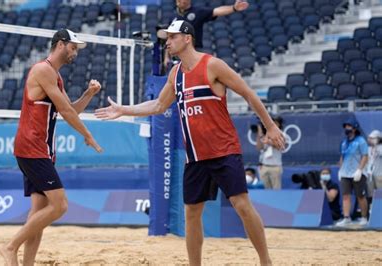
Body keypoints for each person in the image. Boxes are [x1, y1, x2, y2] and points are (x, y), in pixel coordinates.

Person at [95, 21, 285, 266]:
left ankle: (265, 261)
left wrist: (270, 125)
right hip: (195, 156)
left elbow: (248, 93)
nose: (168, 42)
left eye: (172, 37)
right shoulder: (175, 74)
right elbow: (158, 105)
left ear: (187, 38)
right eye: (167, 38)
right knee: (191, 213)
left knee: (242, 206)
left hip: (223, 150)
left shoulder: (212, 65)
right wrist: (124, 110)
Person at [0, 28, 103, 266]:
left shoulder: (55, 75)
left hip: (40, 148)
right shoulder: (43, 70)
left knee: (39, 212)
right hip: (32, 147)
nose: (75, 53)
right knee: (60, 205)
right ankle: (10, 246)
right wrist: (88, 135)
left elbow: (71, 109)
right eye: (73, 47)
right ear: (60, 45)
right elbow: (66, 112)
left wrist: (88, 93)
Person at [172, 0, 249, 49]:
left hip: (193, 50)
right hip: (177, 51)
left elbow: (217, 11)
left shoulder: (198, 12)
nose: (178, 1)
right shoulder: (173, 16)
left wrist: (234, 8)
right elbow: (169, 37)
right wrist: (166, 57)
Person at [336, 118, 369, 227]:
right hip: (345, 173)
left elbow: (365, 156)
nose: (346, 128)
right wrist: (340, 170)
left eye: (349, 126)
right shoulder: (344, 142)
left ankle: (364, 217)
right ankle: (346, 218)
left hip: (357, 173)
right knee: (345, 196)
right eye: (345, 126)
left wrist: (360, 170)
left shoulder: (361, 141)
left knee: (360, 196)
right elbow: (342, 157)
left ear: (354, 128)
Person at [255, 117, 284, 190]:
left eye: (276, 123)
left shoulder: (282, 134)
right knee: (265, 191)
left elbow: (279, 145)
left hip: (275, 166)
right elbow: (259, 147)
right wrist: (259, 134)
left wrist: (267, 139)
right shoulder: (264, 136)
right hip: (264, 166)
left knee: (276, 191)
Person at [367, 130, 382, 194]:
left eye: (373, 138)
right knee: (371, 193)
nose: (370, 139)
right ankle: (371, 204)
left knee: (380, 193)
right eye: (370, 138)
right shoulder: (368, 148)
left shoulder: (381, 147)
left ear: (378, 139)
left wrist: (376, 146)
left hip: (379, 175)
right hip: (370, 174)